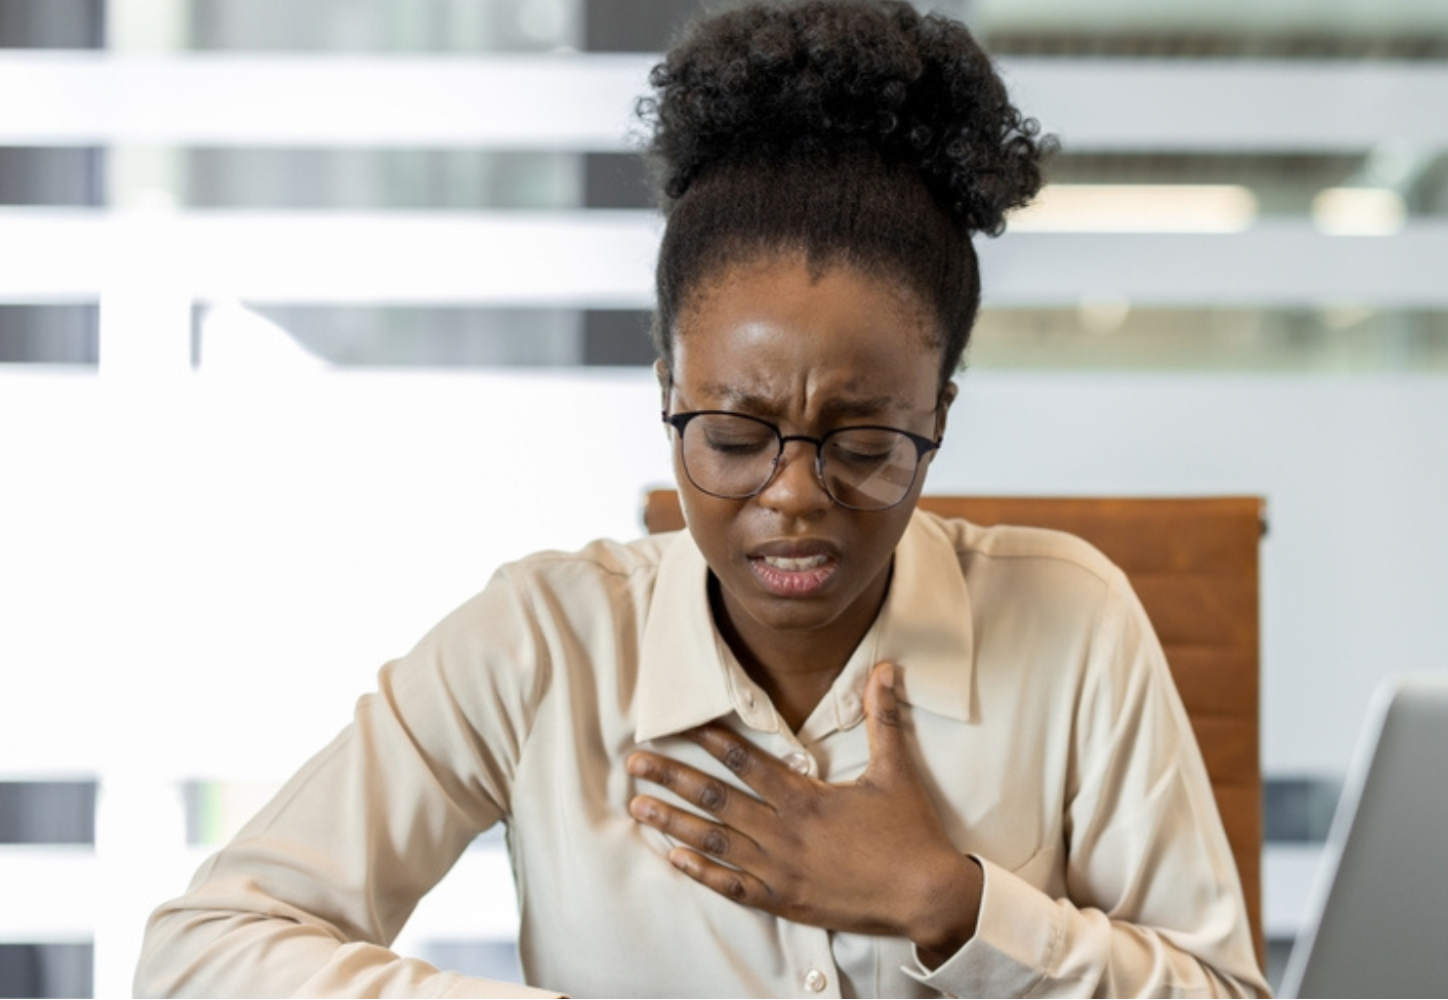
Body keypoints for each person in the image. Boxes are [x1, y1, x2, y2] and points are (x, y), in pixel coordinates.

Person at [135, 2, 1268, 996]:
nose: (794, 496)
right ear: (669, 397)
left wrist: (949, 903)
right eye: (732, 437)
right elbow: (206, 950)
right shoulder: (545, 645)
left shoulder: (1073, 620)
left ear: (939, 417)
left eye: (865, 444)